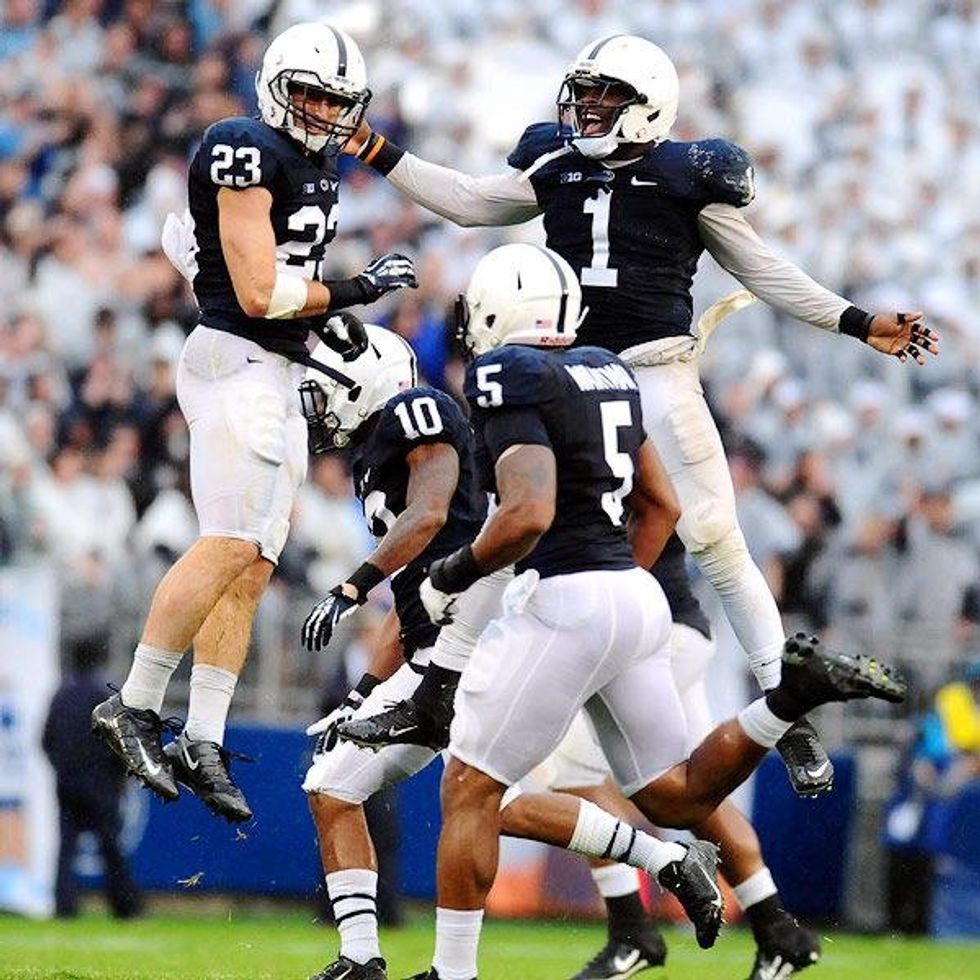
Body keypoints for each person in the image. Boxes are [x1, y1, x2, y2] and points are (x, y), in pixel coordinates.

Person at [343, 33, 938, 798]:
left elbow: (763, 270)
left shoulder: (687, 175)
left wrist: (854, 321)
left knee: (717, 540)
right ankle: (435, 694)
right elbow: (470, 200)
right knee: (512, 528)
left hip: (656, 376)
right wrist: (375, 147)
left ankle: (786, 717)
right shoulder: (553, 163)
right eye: (583, 92)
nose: (587, 107)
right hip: (573, 377)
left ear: (648, 105)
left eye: (606, 95)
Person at [393, 242, 905, 980]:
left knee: (470, 786)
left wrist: (448, 576)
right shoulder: (607, 367)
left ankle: (453, 972)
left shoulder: (507, 372)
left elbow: (527, 515)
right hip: (638, 600)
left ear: (504, 307)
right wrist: (613, 591)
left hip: (566, 598)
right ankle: (790, 698)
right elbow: (662, 504)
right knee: (675, 791)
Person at [298, 322, 729, 980]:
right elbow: (412, 603)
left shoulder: (420, 411)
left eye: (329, 387)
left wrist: (354, 584)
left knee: (483, 797)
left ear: (367, 378)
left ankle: (441, 968)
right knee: (354, 786)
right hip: (436, 643)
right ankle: (361, 958)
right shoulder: (373, 457)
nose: (320, 404)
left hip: (472, 639)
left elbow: (433, 512)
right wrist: (361, 691)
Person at [90, 21, 419, 824]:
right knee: (231, 540)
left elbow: (275, 286)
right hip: (233, 358)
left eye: (334, 101)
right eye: (307, 93)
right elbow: (258, 293)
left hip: (272, 367)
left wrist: (326, 320)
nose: (318, 112)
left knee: (255, 563)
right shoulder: (242, 144)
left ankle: (202, 731)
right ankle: (133, 704)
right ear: (276, 85)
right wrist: (353, 291)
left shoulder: (314, 166)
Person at [42, 639, 143, 920]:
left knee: (66, 847)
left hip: (67, 782)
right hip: (101, 784)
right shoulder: (104, 694)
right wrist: (120, 774)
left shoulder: (60, 695)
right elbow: (120, 740)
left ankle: (64, 905)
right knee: (110, 845)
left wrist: (62, 767)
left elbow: (46, 740)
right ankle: (124, 906)